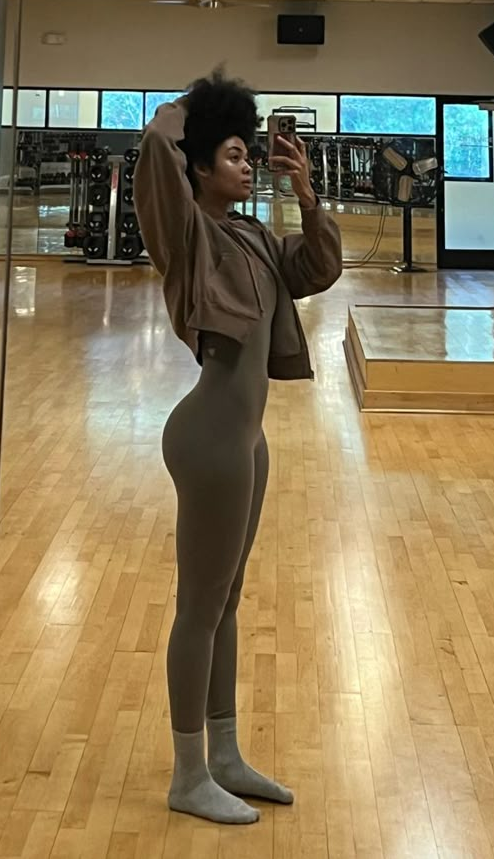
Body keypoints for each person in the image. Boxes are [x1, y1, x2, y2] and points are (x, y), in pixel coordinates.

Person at [134, 70, 342, 825]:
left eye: (248, 152)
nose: (247, 162)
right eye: (231, 151)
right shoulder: (185, 235)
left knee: (225, 604)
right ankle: (188, 772)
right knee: (198, 607)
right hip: (210, 440)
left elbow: (318, 269)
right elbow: (157, 150)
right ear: (198, 165)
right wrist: (198, 105)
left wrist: (306, 193)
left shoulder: (251, 235)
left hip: (247, 443)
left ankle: (222, 755)